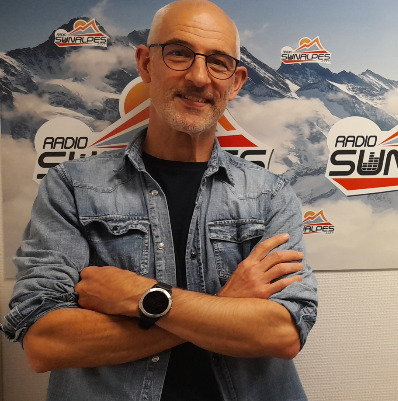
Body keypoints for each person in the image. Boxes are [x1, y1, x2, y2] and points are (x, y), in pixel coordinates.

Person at [1, 1, 317, 400]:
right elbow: (46, 343)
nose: (199, 77)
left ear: (236, 82)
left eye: (218, 62)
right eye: (179, 53)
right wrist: (225, 305)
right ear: (146, 64)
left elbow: (283, 333)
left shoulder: (271, 195)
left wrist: (142, 297)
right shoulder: (72, 188)